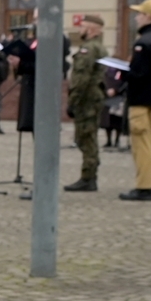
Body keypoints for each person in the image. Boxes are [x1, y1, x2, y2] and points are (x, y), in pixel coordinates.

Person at [122, 0, 151, 201]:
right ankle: (148, 185)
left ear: (148, 16)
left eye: (139, 14)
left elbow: (138, 73)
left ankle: (144, 187)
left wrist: (123, 72)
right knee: (150, 144)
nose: (136, 18)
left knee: (141, 146)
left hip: (140, 99)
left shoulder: (143, 42)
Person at [63, 15, 107, 192]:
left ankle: (88, 177)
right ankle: (89, 176)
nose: (79, 30)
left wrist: (73, 101)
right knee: (88, 136)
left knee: (86, 138)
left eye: (82, 27)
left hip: (87, 99)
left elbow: (82, 78)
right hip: (93, 97)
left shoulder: (88, 49)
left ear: (91, 29)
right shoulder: (98, 47)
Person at [101, 65, 126, 150]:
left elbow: (124, 83)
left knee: (117, 120)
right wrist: (105, 90)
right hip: (106, 97)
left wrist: (116, 90)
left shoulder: (121, 71)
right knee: (107, 121)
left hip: (118, 98)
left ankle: (117, 140)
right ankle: (108, 140)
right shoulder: (105, 71)